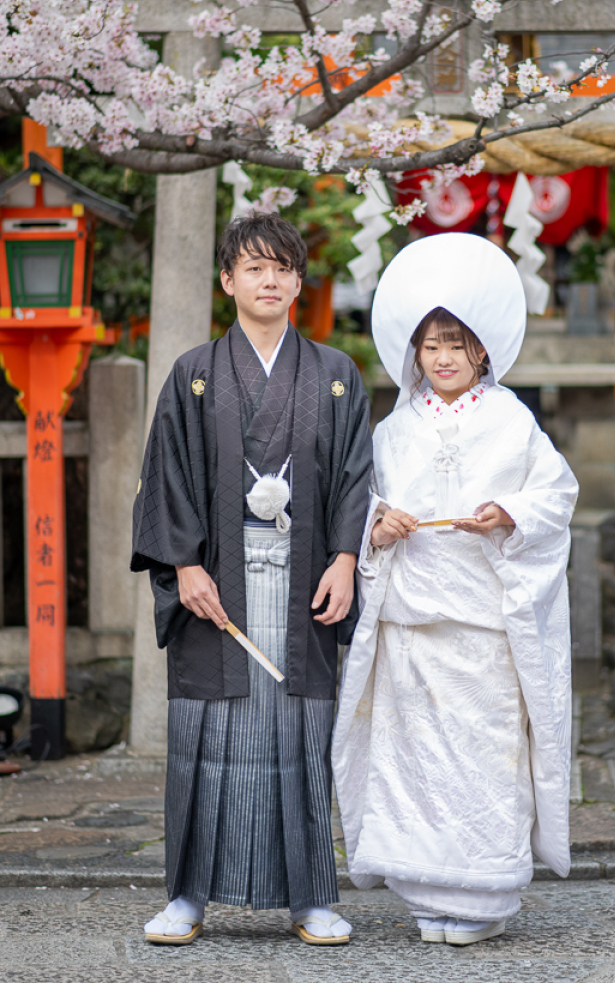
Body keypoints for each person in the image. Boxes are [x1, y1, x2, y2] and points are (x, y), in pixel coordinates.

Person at [131, 211, 372, 947]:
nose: (269, 280)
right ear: (227, 279)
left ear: (299, 281)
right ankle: (187, 897)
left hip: (305, 581)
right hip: (217, 587)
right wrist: (185, 565)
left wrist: (345, 558)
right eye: (254, 267)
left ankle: (310, 898)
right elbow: (165, 476)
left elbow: (358, 474)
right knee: (207, 735)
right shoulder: (194, 374)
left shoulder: (335, 375)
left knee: (301, 734)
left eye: (282, 267)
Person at [332, 232, 578, 947]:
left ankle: (484, 890)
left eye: (456, 345)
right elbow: (363, 504)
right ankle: (425, 890)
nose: (442, 358)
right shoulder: (392, 429)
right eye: (431, 345)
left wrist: (511, 513)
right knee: (414, 762)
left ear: (482, 354)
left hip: (481, 627)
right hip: (411, 624)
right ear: (414, 352)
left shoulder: (511, 420)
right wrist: (379, 524)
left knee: (481, 756)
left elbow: (555, 492)